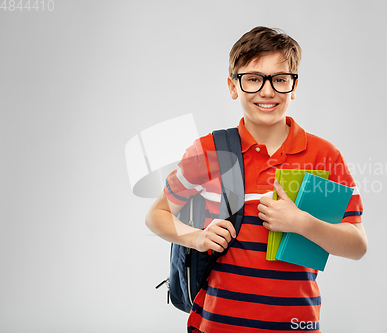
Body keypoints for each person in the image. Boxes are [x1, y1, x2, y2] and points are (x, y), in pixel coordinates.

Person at [145, 26, 367, 333]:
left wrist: (301, 222)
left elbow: (357, 245)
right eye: (253, 79)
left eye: (279, 79)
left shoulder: (324, 155)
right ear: (233, 86)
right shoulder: (209, 151)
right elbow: (156, 215)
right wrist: (195, 238)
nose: (267, 91)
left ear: (294, 85)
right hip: (215, 325)